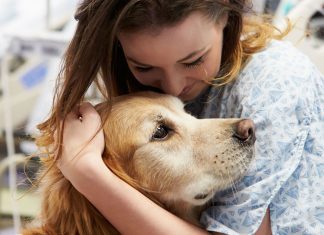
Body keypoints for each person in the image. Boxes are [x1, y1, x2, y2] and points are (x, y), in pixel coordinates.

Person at [37, 0, 324, 234]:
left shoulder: (276, 84)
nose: (173, 87)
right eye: (144, 67)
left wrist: (87, 174)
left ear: (226, 15)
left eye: (193, 60)